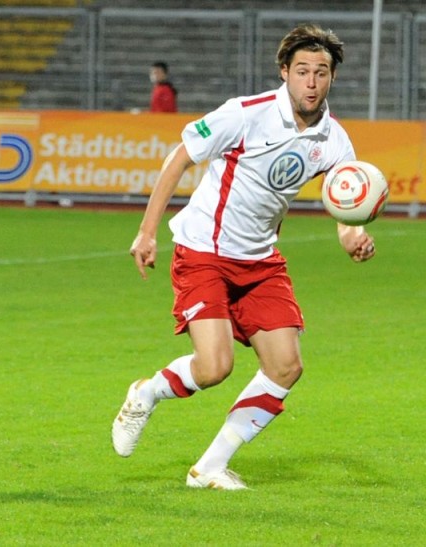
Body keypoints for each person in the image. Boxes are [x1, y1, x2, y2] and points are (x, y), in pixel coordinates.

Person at [112, 24, 376, 490]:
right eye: (302, 72)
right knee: (214, 368)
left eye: (321, 73)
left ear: (332, 78)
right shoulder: (246, 114)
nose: (311, 82)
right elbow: (181, 156)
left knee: (285, 367)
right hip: (204, 252)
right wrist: (147, 231)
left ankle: (208, 467)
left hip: (260, 262)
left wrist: (352, 236)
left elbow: (343, 203)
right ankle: (145, 393)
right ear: (284, 73)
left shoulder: (334, 139)